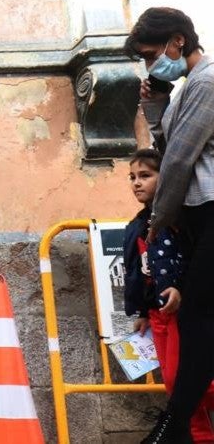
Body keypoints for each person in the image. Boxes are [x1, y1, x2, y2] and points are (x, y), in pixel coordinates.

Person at [131, 7, 214, 444]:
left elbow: (179, 161)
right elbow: (169, 150)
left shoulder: (207, 81)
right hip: (199, 212)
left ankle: (174, 425)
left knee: (198, 315)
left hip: (211, 208)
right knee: (198, 318)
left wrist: (158, 222)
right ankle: (176, 424)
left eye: (150, 55)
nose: (150, 66)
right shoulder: (185, 90)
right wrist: (156, 105)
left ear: (177, 42)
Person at [121, 149, 214, 442]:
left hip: (179, 311)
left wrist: (179, 287)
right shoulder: (138, 223)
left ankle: (196, 434)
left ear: (168, 178)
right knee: (172, 382)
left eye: (146, 176)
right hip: (156, 314)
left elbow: (192, 261)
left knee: (186, 378)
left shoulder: (179, 220)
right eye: (133, 177)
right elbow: (140, 270)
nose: (137, 183)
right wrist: (142, 311)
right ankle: (194, 435)